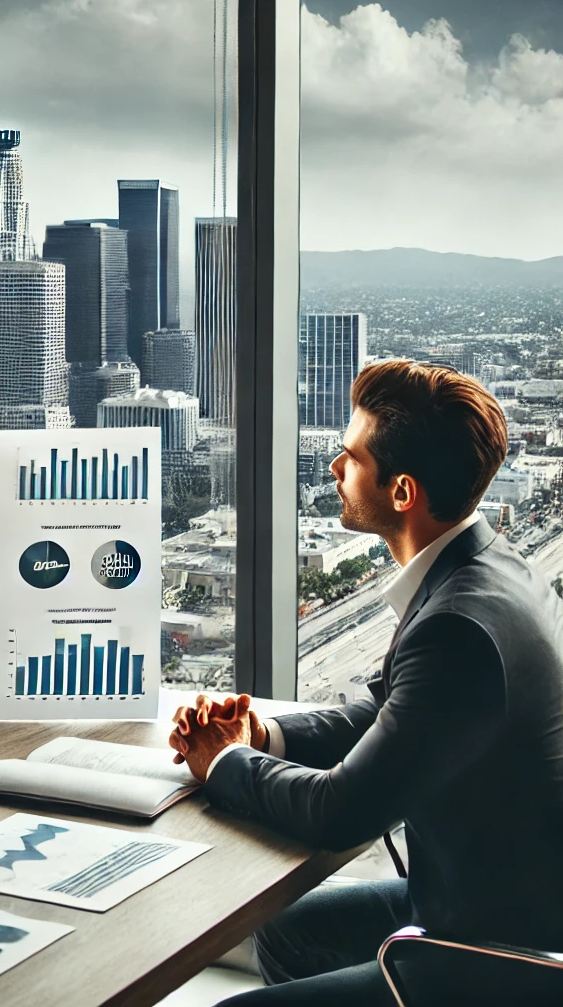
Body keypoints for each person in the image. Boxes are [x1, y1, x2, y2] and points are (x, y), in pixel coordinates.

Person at [169, 360, 563, 1004]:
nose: (334, 470)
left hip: (504, 948)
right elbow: (388, 715)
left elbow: (339, 812)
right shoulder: (490, 565)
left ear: (402, 492)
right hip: (499, 889)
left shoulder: (458, 626)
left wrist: (226, 763)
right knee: (286, 936)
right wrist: (261, 735)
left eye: (349, 458)